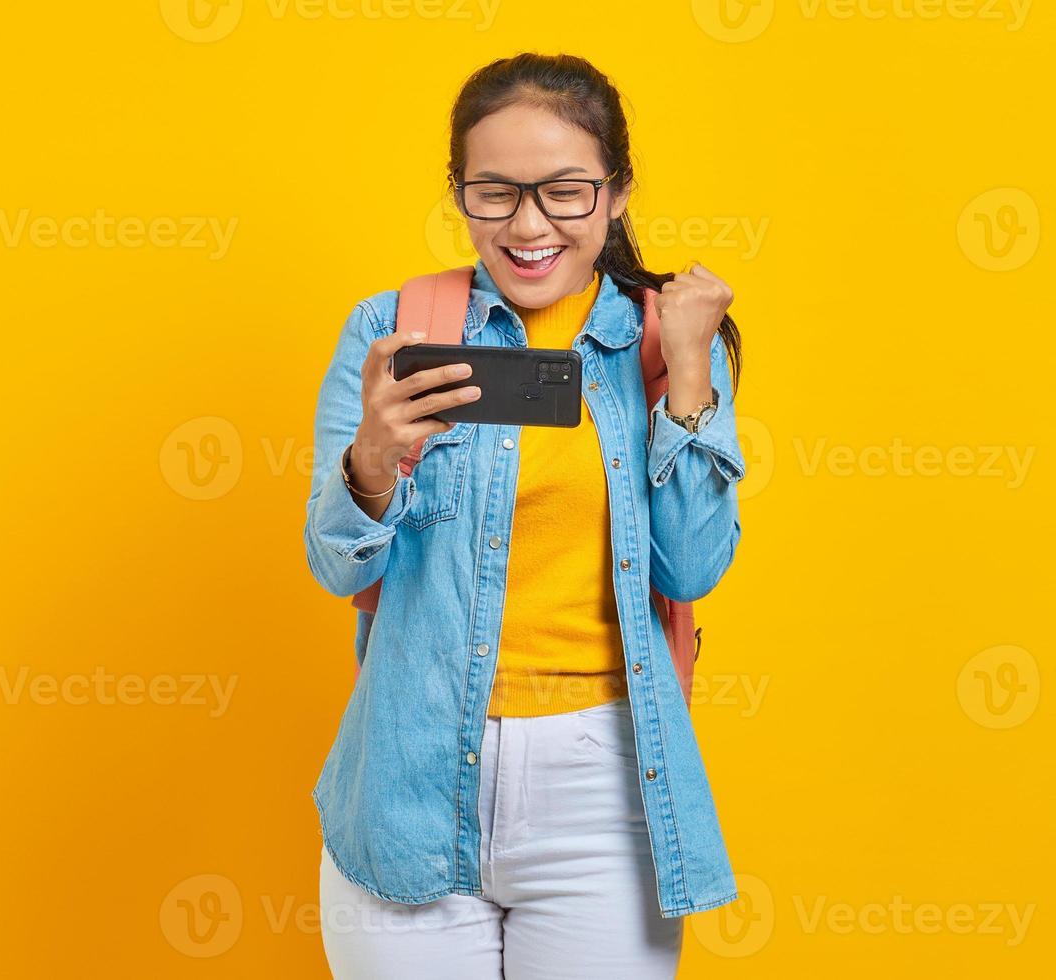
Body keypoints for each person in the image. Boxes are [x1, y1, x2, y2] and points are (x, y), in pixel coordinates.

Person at [307, 51, 747, 979]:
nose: (530, 225)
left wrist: (695, 370)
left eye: (566, 192)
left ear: (618, 194)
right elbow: (338, 567)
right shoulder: (391, 328)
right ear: (459, 193)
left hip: (604, 785)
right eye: (495, 193)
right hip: (407, 775)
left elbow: (693, 568)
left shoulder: (666, 341)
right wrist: (372, 461)